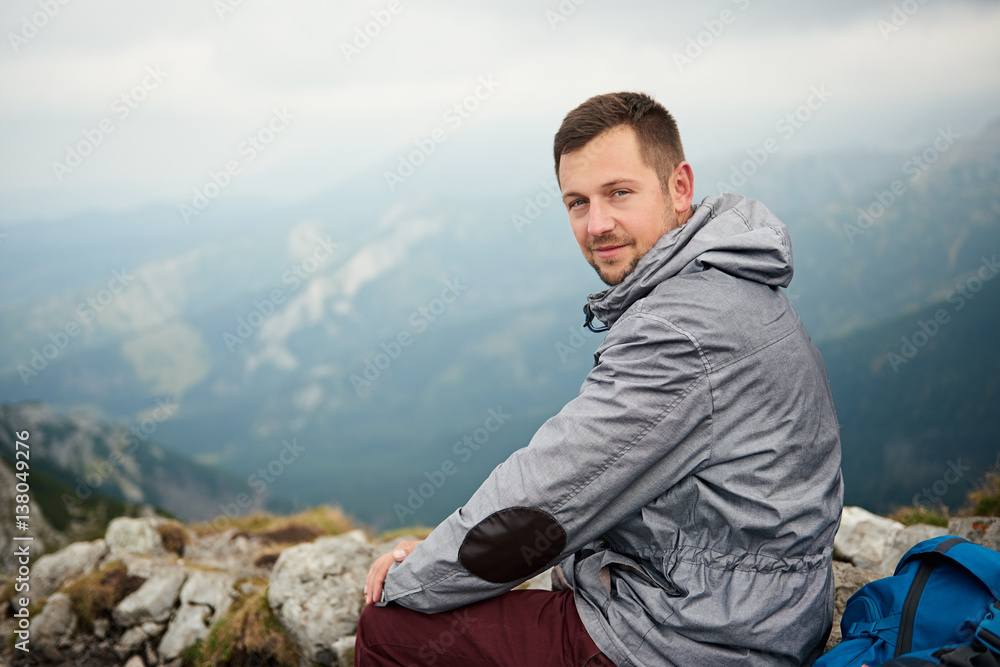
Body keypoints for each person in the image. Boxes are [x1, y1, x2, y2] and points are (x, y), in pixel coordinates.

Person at [354, 91, 843, 666]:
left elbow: (546, 496)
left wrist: (417, 579)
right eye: (577, 203)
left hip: (700, 638)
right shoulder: (731, 283)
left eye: (619, 193)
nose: (597, 224)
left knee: (390, 630)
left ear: (679, 187)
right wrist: (447, 556)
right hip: (761, 609)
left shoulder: (681, 328)